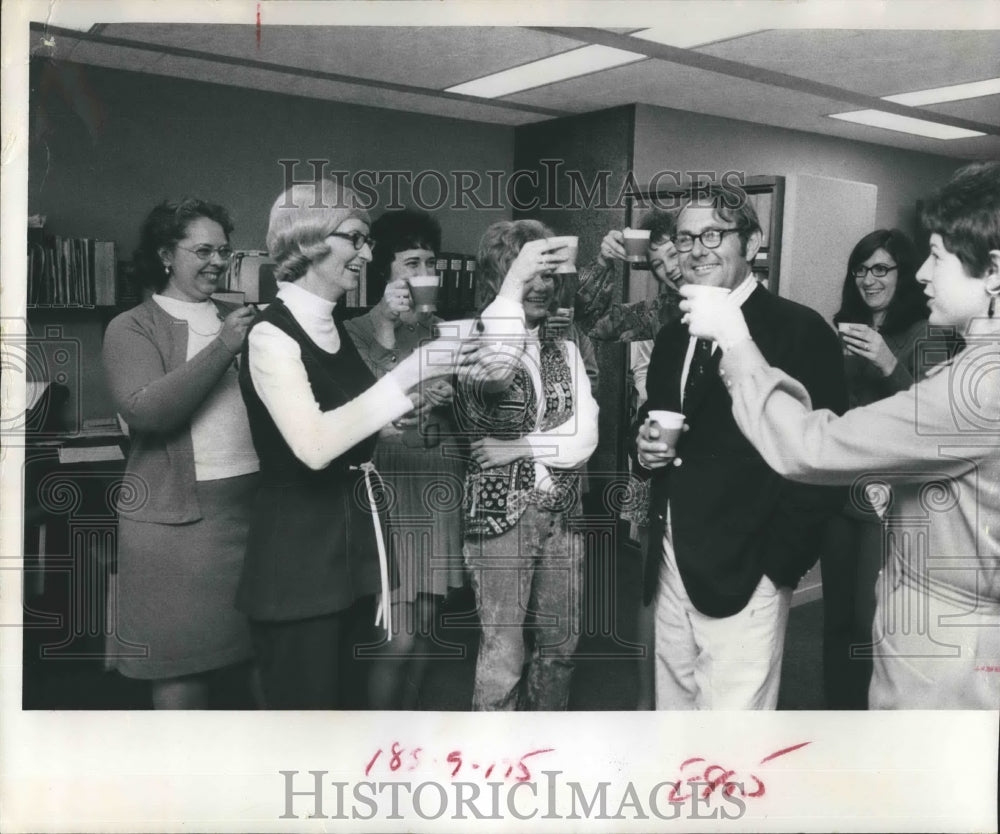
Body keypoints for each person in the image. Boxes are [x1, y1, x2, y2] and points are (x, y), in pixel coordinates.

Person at [679, 161, 1000, 710]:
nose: (923, 274)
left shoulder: (981, 383)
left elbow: (809, 447)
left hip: (948, 642)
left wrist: (735, 340)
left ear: (993, 270)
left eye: (937, 256)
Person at [236, 180, 478, 709]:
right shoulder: (270, 335)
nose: (367, 254)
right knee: (305, 711)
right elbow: (314, 445)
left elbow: (350, 425)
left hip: (354, 542)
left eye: (367, 241)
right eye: (355, 239)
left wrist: (393, 420)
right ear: (308, 240)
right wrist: (411, 374)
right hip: (299, 550)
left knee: (346, 703)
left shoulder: (332, 328)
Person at [635, 182, 847, 710]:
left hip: (750, 565)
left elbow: (825, 458)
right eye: (686, 238)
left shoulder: (800, 330)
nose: (696, 250)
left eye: (713, 234)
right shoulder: (673, 334)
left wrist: (780, 566)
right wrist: (645, 446)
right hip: (671, 558)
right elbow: (659, 414)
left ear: (751, 243)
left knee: (734, 733)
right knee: (673, 714)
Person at [102, 198, 260, 709]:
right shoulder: (132, 326)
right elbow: (149, 412)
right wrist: (224, 347)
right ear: (166, 254)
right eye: (203, 251)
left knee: (262, 659)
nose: (217, 262)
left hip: (254, 515)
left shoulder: (238, 319)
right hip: (176, 525)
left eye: (224, 251)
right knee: (180, 667)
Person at [458, 219, 600, 711]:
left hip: (563, 514)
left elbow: (586, 437)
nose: (541, 286)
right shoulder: (475, 338)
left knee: (560, 648)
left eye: (548, 275)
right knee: (504, 657)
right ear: (500, 277)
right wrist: (512, 289)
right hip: (501, 518)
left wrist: (521, 446)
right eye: (526, 274)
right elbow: (498, 373)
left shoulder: (564, 343)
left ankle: (544, 747)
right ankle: (496, 754)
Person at [343, 208, 466, 709]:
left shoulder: (443, 330)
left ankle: (408, 728)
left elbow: (463, 403)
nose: (424, 273)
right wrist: (391, 325)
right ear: (384, 270)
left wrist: (450, 394)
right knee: (397, 631)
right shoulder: (353, 331)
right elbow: (362, 404)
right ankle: (378, 737)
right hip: (391, 485)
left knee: (428, 625)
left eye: (430, 263)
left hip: (439, 479)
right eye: (411, 263)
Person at [564, 208, 683, 710]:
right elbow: (594, 321)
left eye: (674, 254)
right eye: (657, 264)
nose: (670, 270)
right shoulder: (661, 312)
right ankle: (645, 701)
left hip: (716, 470)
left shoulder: (731, 312)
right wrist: (603, 263)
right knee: (653, 582)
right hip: (657, 461)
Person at [823, 229, 937, 709]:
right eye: (861, 270)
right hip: (840, 487)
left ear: (903, 274)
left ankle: (869, 722)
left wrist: (888, 362)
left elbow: (929, 421)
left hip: (887, 496)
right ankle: (834, 716)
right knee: (835, 618)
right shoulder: (846, 327)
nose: (868, 280)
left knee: (870, 618)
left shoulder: (928, 332)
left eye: (880, 269)